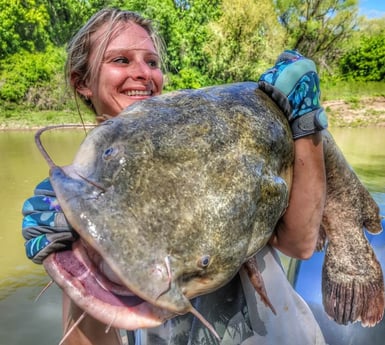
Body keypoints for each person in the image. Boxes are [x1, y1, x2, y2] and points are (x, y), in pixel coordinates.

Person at [22, 8, 328, 345]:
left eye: (152, 63)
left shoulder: (212, 136)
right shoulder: (80, 193)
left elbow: (299, 244)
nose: (142, 73)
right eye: (121, 60)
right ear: (82, 83)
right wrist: (73, 266)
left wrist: (305, 123)